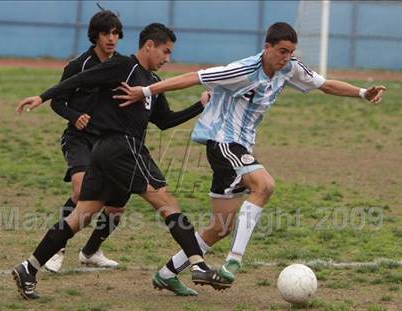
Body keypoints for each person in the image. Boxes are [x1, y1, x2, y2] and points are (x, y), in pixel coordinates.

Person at [115, 22, 386, 289]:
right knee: (264, 185)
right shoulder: (243, 69)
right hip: (222, 142)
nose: (286, 57)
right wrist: (147, 90)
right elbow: (194, 77)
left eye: (290, 51)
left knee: (220, 228)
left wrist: (363, 92)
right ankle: (233, 262)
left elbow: (325, 85)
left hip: (241, 147)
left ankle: (166, 273)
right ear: (266, 47)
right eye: (281, 51)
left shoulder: (290, 68)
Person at [13, 22, 228, 300]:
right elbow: (80, 80)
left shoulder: (152, 84)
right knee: (167, 204)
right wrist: (43, 97)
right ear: (148, 45)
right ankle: (198, 265)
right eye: (165, 51)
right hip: (121, 147)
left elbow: (164, 121)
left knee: (81, 216)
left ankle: (28, 268)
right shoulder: (123, 66)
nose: (167, 59)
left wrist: (199, 106)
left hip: (109, 152)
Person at [43, 9, 124, 274]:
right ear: (95, 36)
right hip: (78, 139)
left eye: (115, 33)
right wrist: (75, 115)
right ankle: (57, 248)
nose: (111, 38)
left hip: (108, 141)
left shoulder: (122, 65)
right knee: (81, 192)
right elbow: (58, 101)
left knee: (115, 205)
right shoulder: (79, 65)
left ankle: (91, 252)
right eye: (105, 33)